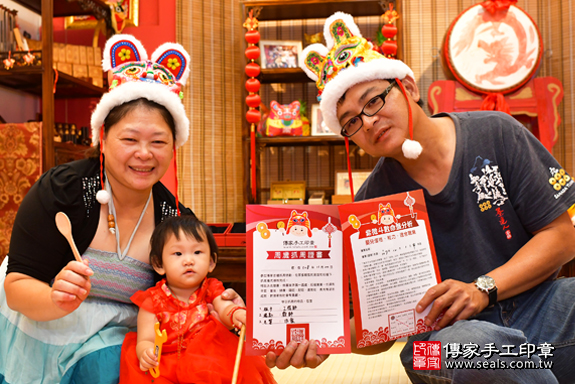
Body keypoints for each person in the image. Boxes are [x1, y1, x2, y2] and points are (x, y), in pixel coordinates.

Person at [266, 12, 575, 383]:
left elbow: (563, 236)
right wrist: (319, 342)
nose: (367, 122)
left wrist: (483, 289)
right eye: (350, 122)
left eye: (374, 101)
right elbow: (379, 333)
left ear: (408, 87)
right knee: (469, 350)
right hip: (436, 344)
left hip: (536, 311)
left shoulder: (497, 133)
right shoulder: (371, 205)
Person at [0, 35, 242, 384]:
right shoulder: (63, 192)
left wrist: (225, 305)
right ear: (102, 136)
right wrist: (56, 299)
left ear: (174, 146)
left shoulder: (174, 218)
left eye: (158, 142)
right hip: (41, 325)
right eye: (129, 140)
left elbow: (191, 292)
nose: (144, 154)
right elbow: (17, 286)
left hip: (118, 341)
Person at [119, 215, 276, 384]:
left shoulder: (211, 288)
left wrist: (236, 314)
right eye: (178, 253)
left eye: (197, 252)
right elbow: (145, 339)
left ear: (211, 262)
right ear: (159, 264)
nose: (189, 260)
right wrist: (146, 352)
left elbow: (224, 307)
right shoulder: (152, 300)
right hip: (166, 362)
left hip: (209, 357)